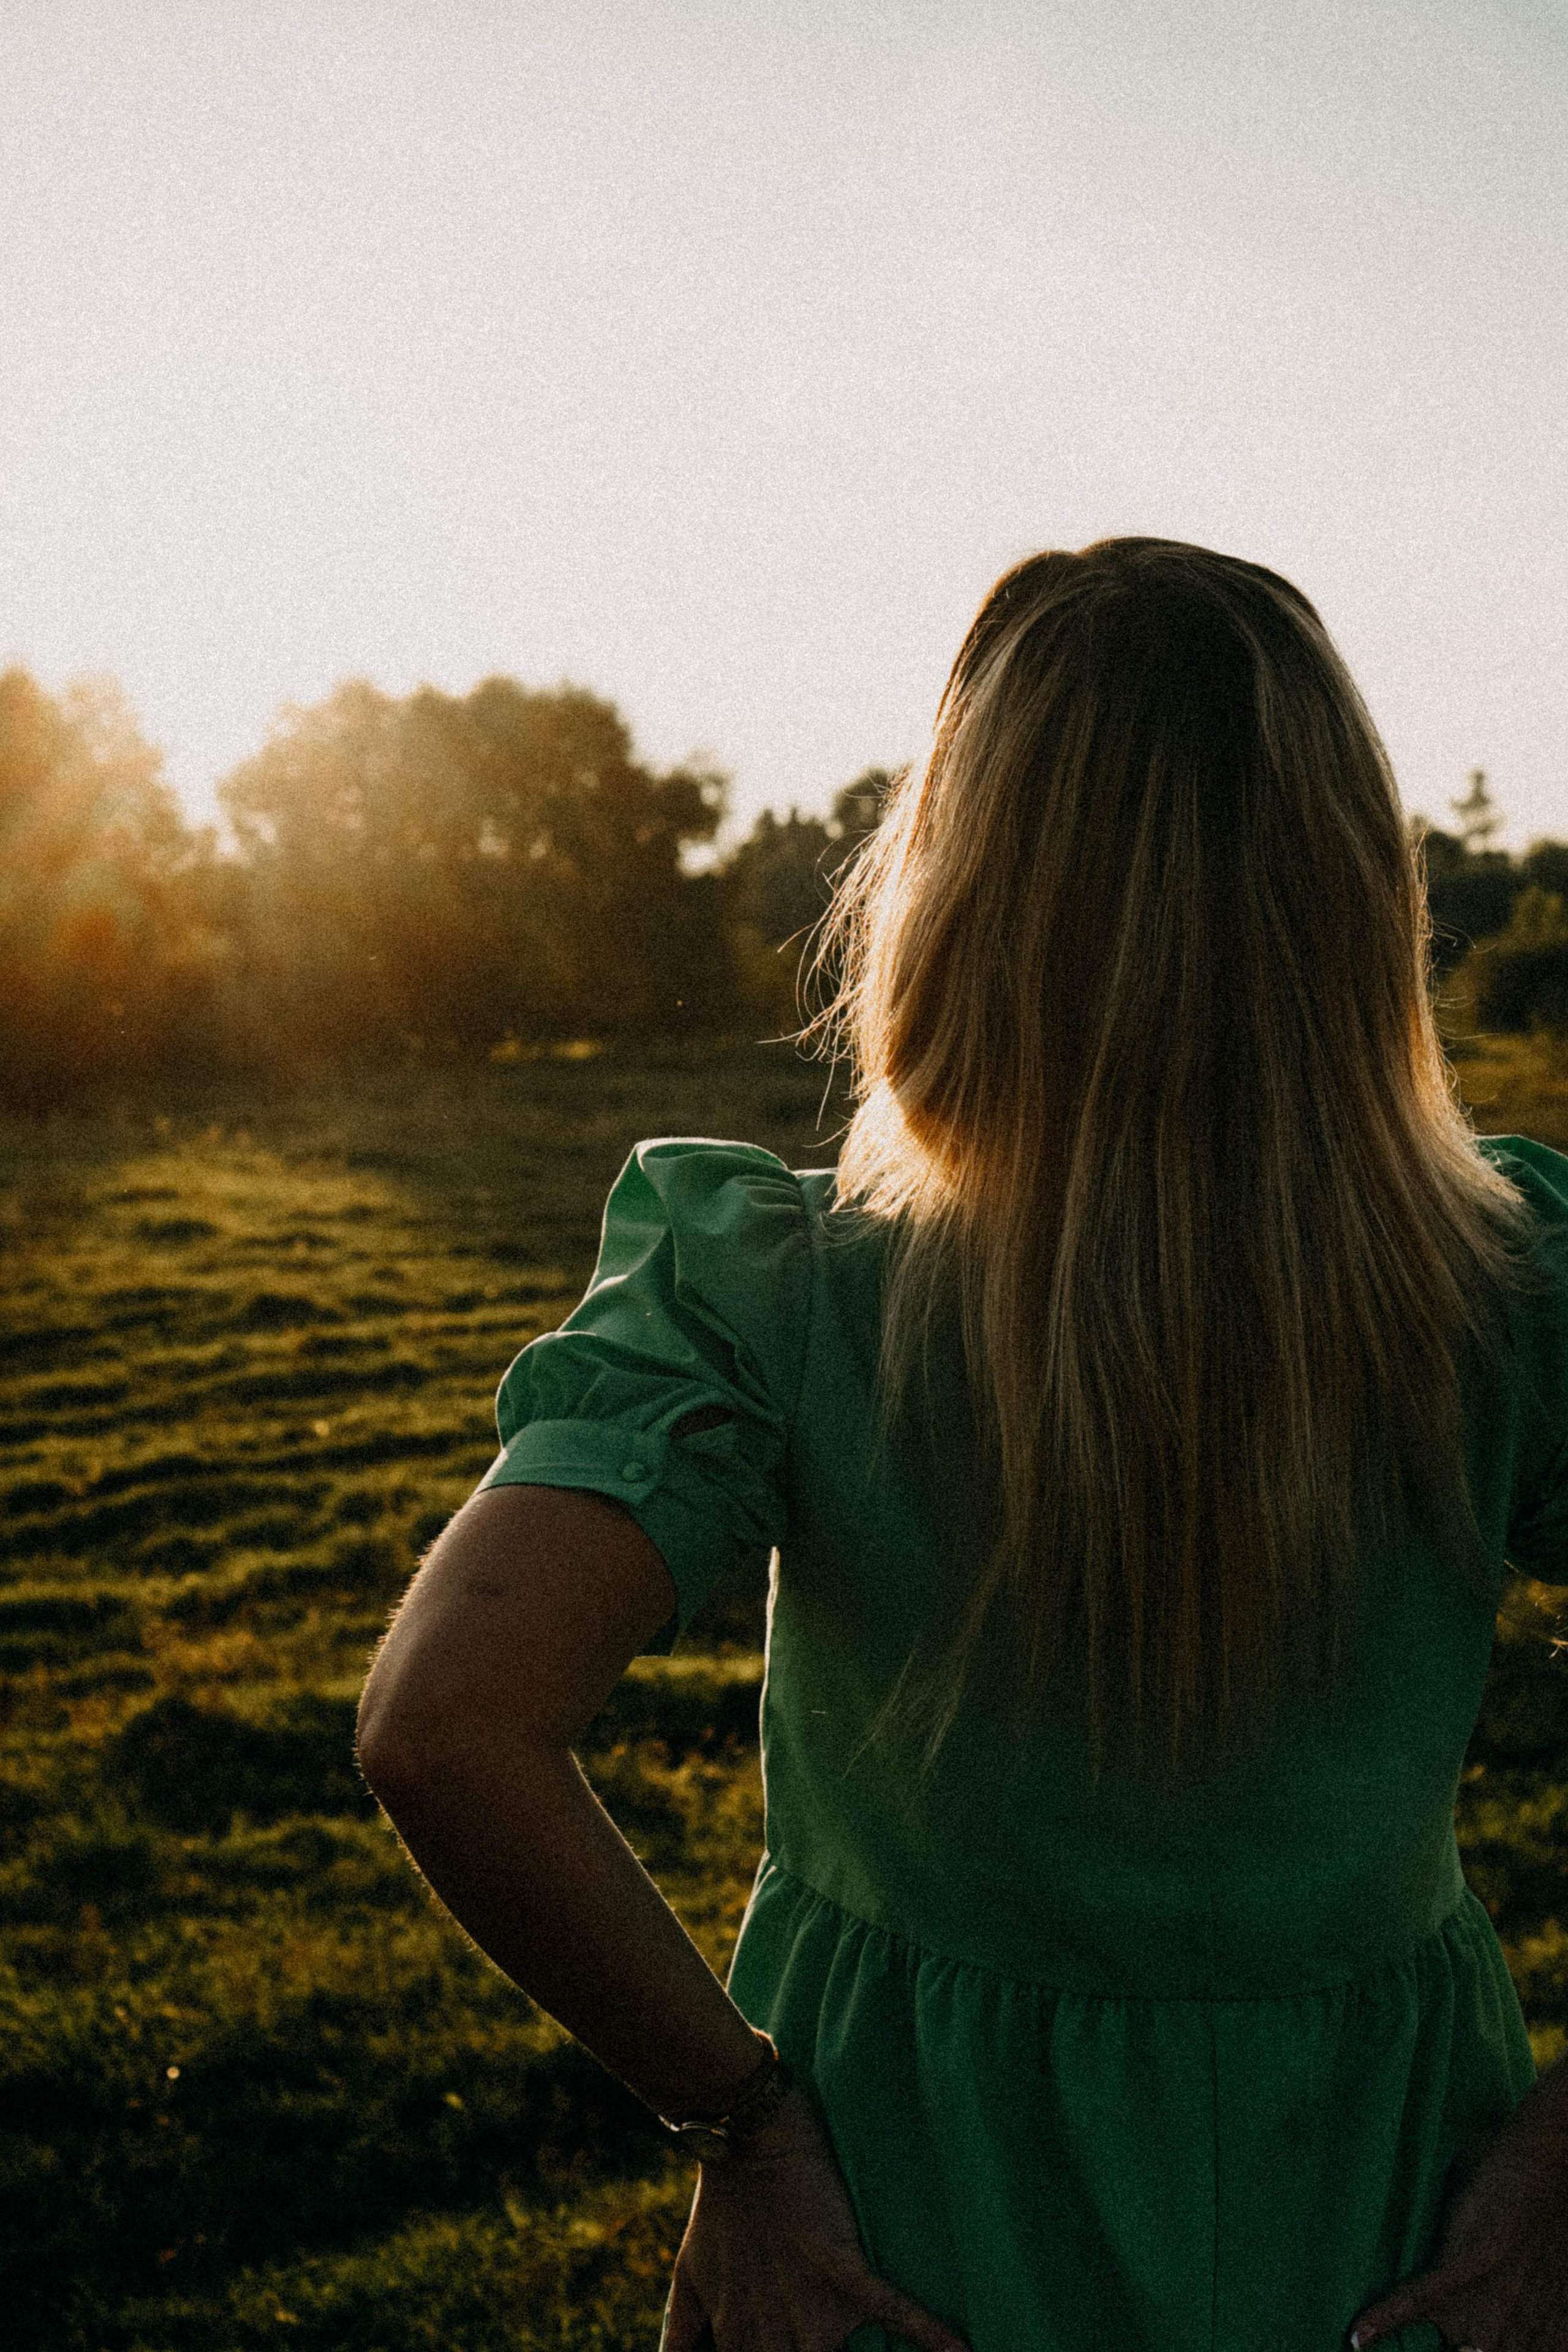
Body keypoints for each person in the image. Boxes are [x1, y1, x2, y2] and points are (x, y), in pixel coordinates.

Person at [356, 538, 1568, 2352]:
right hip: (1394, 2232)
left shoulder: (770, 1294)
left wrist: (736, 2122)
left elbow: (445, 1722)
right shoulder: (1512, 1298)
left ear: (960, 889)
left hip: (905, 2244)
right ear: (1344, 899)